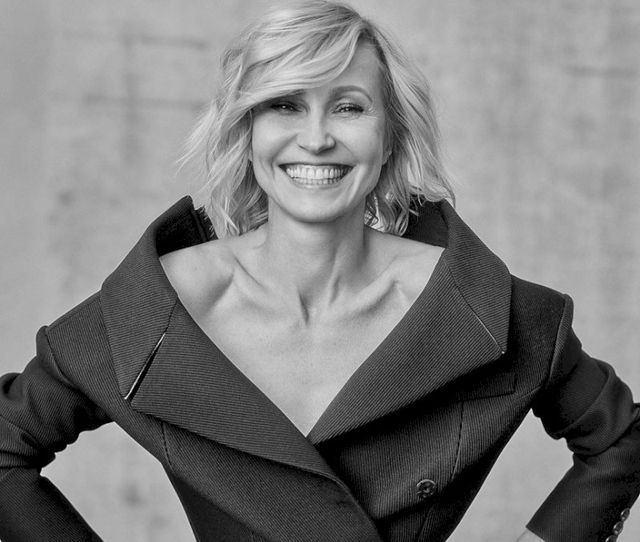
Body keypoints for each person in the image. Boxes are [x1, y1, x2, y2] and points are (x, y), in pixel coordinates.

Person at [1, 1, 639, 541]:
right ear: (247, 131)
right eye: (284, 105)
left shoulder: (485, 310)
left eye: (349, 107)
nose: (315, 138)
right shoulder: (156, 312)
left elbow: (621, 440)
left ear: (390, 136)